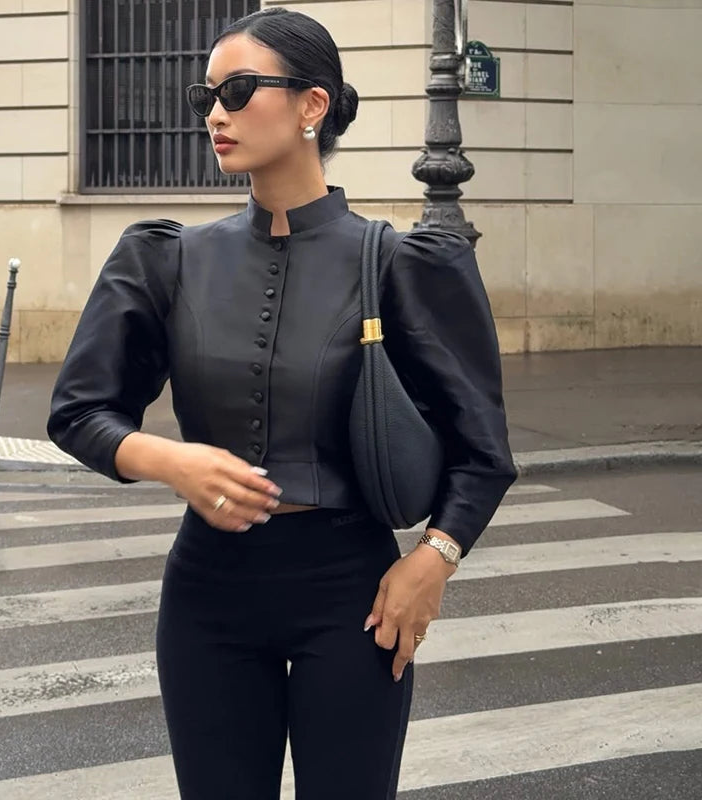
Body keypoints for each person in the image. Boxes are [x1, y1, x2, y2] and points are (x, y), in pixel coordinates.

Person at [47, 7, 516, 799]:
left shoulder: (402, 262)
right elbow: (79, 411)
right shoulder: (165, 259)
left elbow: (483, 452)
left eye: (238, 89)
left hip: (354, 595)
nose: (216, 114)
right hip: (208, 595)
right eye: (207, 97)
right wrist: (169, 459)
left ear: (312, 105)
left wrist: (433, 562)